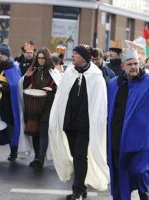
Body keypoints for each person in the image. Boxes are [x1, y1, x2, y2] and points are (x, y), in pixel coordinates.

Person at [49, 44, 109, 200]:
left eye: (75, 53)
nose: (72, 56)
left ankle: (77, 190)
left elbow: (100, 103)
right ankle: (81, 188)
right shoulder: (69, 72)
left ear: (83, 57)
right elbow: (62, 95)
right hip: (69, 122)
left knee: (81, 155)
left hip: (85, 124)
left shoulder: (96, 76)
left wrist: (96, 123)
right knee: (76, 155)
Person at [107, 48, 149, 200]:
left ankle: (143, 194)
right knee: (119, 173)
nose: (133, 67)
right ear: (123, 67)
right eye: (129, 64)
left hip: (141, 140)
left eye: (135, 63)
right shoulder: (113, 85)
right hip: (117, 137)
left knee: (139, 171)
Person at [23, 47, 58, 169]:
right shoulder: (34, 70)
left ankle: (40, 159)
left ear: (47, 58)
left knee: (43, 131)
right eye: (39, 58)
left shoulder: (53, 71)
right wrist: (27, 77)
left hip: (48, 104)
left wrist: (52, 89)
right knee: (34, 132)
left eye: (43, 58)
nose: (41, 60)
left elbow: (61, 86)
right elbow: (23, 85)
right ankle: (36, 156)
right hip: (34, 104)